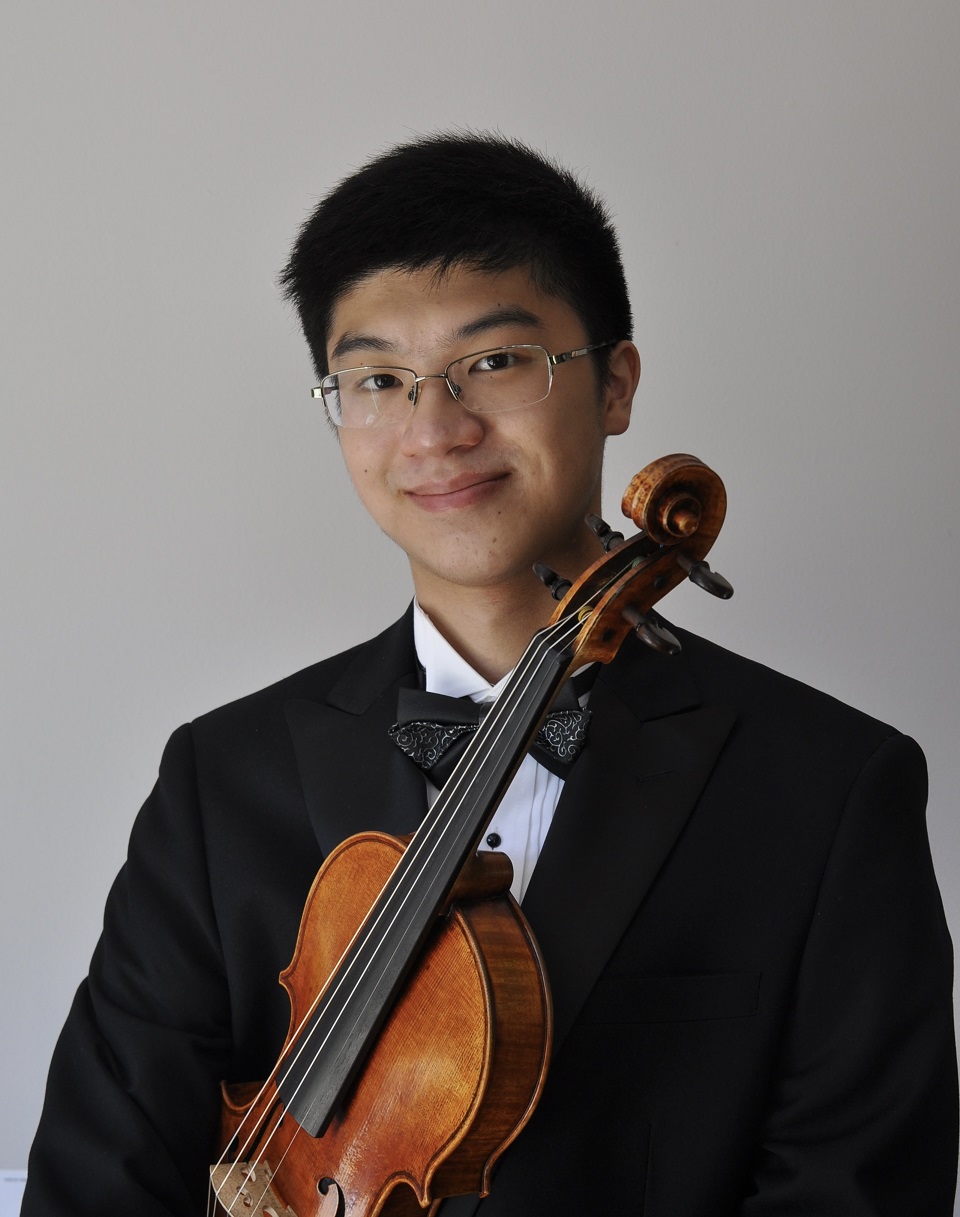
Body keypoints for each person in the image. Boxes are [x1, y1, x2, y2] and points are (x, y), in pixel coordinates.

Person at [23, 132, 957, 1216]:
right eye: (377, 378)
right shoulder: (219, 779)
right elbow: (97, 1182)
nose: (435, 427)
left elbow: (852, 1193)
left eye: (496, 361)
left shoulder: (828, 787)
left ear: (615, 382)